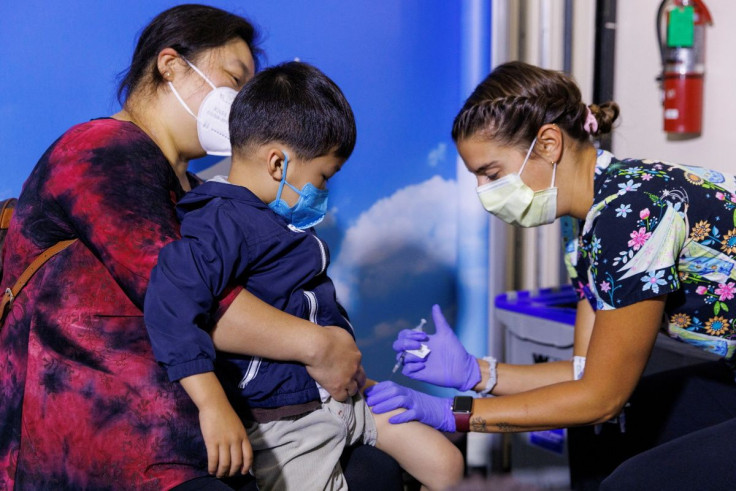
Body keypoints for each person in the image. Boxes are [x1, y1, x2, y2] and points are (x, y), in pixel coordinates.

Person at [0, 5, 402, 490]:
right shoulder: (100, 148)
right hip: (107, 446)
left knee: (372, 472)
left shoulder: (199, 192)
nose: (239, 104)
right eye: (234, 80)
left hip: (207, 441)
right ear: (169, 64)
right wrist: (319, 346)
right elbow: (179, 293)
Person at [365, 60, 736, 489]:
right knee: (595, 442)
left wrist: (455, 412)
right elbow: (586, 372)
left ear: (548, 143)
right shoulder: (585, 223)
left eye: (491, 173)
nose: (485, 192)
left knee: (632, 481)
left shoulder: (630, 213)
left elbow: (602, 398)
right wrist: (476, 373)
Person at [144, 61, 464, 491]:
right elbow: (170, 306)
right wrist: (212, 405)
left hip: (346, 398)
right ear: (278, 162)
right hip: (287, 423)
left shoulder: (283, 222)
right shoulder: (219, 221)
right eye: (324, 178)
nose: (325, 193)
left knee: (447, 466)